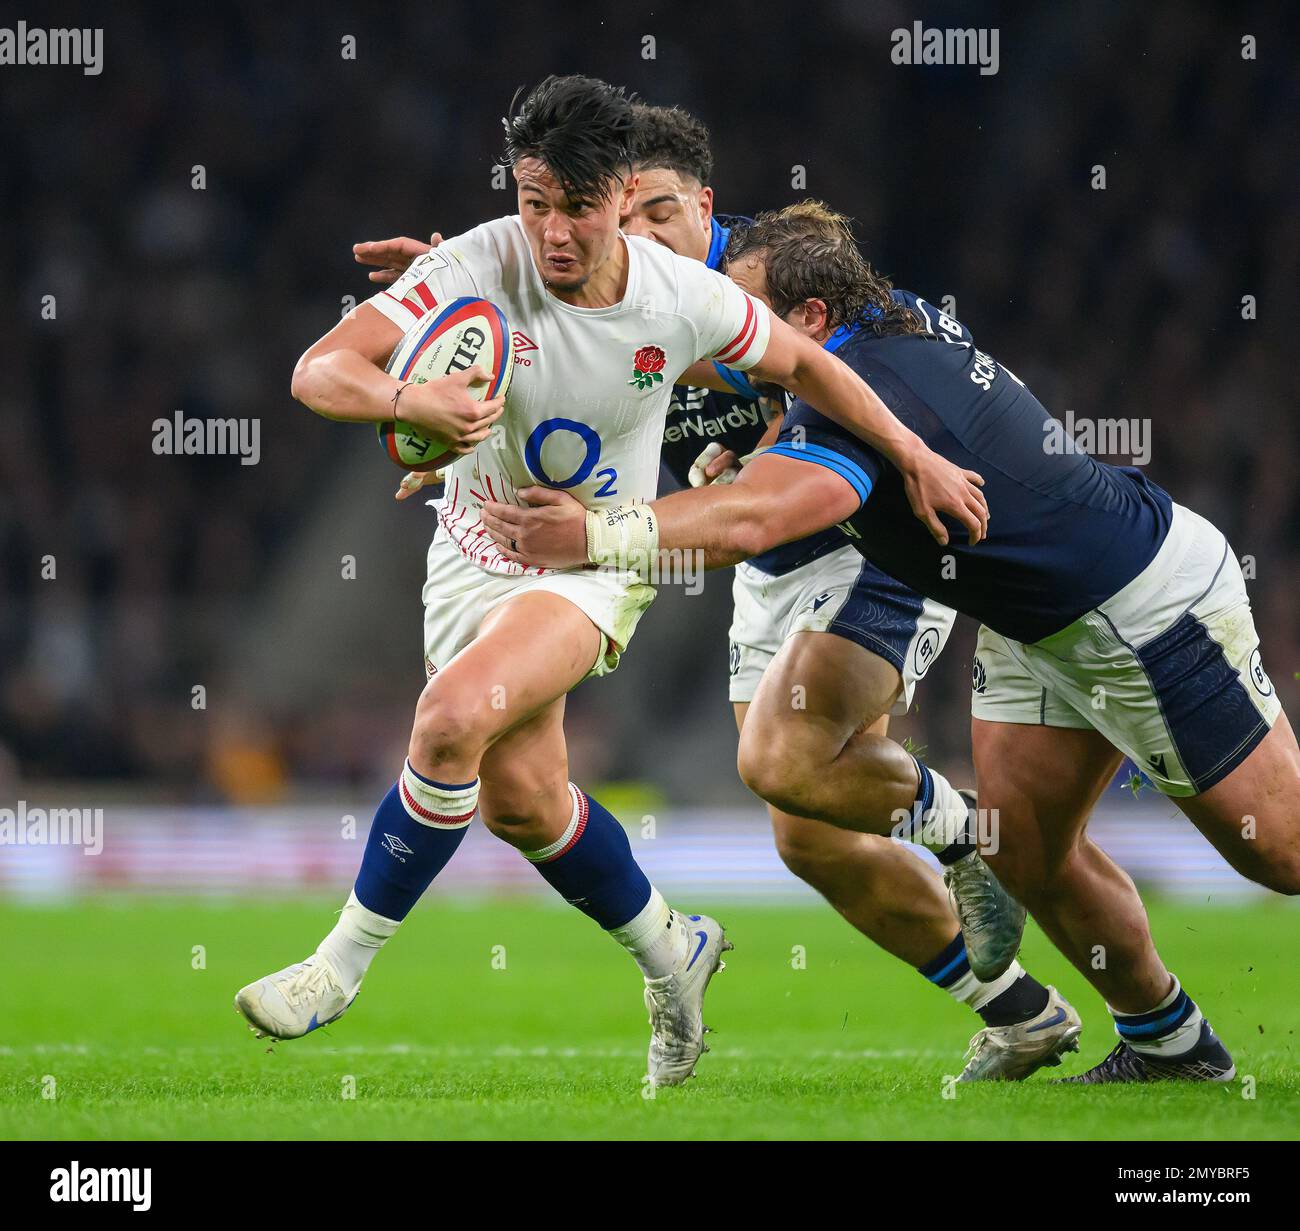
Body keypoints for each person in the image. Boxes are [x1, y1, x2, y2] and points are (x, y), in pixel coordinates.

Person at [235, 79, 993, 1088]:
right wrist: (403, 392)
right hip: (468, 551)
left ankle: (336, 967)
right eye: (534, 199)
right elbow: (318, 369)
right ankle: (671, 948)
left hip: (586, 565)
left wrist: (911, 454)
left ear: (622, 191)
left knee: (451, 720)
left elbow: (812, 368)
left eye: (577, 205)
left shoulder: (681, 298)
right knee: (520, 798)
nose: (551, 229)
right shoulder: (477, 262)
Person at [482, 201, 1299, 1082]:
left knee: (1279, 850)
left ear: (812, 321)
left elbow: (758, 518)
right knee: (1021, 850)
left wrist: (593, 535)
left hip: (1142, 602)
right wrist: (491, 296)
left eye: (746, 318)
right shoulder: (868, 333)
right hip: (1031, 627)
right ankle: (1170, 1044)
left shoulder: (858, 407)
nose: (730, 337)